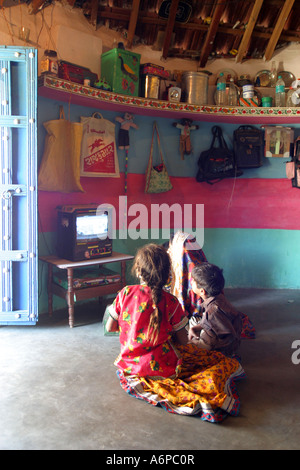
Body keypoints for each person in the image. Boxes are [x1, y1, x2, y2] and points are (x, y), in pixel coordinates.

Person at [106, 243, 245, 423]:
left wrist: (133, 330)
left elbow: (110, 327)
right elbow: (182, 341)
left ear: (139, 271)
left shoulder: (124, 293)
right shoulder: (171, 302)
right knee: (213, 360)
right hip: (164, 368)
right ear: (167, 275)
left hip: (129, 364)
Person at [188, 262, 243, 357]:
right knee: (193, 321)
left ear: (202, 291)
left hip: (218, 346)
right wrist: (195, 328)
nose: (191, 281)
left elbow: (225, 336)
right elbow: (209, 322)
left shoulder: (213, 312)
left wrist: (196, 343)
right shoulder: (218, 298)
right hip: (216, 332)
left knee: (186, 345)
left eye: (194, 281)